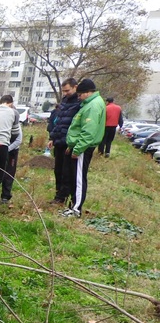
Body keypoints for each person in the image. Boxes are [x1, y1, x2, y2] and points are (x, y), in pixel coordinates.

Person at [62, 78, 105, 218]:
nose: (78, 97)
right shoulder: (89, 104)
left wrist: (78, 148)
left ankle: (76, 209)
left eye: (80, 95)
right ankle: (73, 205)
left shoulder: (93, 106)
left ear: (88, 92)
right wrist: (71, 145)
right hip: (79, 146)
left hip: (83, 148)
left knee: (79, 178)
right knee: (74, 177)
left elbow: (88, 131)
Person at [47, 78, 80, 205]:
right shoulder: (64, 102)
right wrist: (52, 138)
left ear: (75, 87)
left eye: (67, 90)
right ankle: (58, 195)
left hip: (69, 143)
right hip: (59, 141)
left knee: (67, 173)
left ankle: (65, 197)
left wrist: (73, 143)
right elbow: (58, 122)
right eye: (63, 91)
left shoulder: (79, 103)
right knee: (58, 170)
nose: (65, 93)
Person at [2, 120, 22, 205]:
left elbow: (18, 141)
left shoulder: (17, 126)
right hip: (0, 149)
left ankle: (5, 196)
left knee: (9, 173)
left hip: (12, 151)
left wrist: (8, 149)